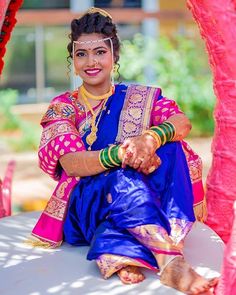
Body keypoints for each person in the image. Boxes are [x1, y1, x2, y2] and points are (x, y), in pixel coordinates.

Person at [30, 7, 218, 294]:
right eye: (82, 54)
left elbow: (181, 122)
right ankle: (171, 263)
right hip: (85, 204)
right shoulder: (63, 106)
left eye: (100, 52)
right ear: (73, 60)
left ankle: (121, 250)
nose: (91, 62)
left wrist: (151, 139)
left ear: (114, 55)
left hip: (133, 193)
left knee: (171, 149)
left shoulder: (140, 97)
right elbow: (71, 163)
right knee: (122, 178)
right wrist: (122, 154)